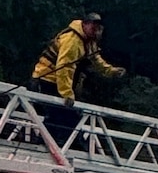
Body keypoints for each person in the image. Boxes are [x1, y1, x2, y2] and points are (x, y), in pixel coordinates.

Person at [29, 11, 125, 143]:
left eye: (99, 28)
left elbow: (96, 59)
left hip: (57, 82)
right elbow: (64, 68)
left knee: (62, 116)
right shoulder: (73, 40)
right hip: (47, 79)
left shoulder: (88, 41)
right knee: (61, 115)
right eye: (94, 27)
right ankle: (57, 144)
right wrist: (67, 94)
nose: (96, 31)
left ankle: (51, 143)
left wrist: (111, 71)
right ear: (85, 24)